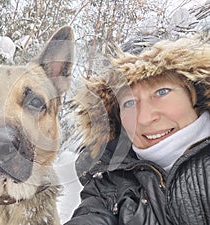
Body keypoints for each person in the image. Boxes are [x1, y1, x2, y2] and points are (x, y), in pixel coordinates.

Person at [64, 37, 210, 225]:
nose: (144, 118)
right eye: (129, 103)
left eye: (161, 92)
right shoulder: (109, 186)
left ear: (193, 93)